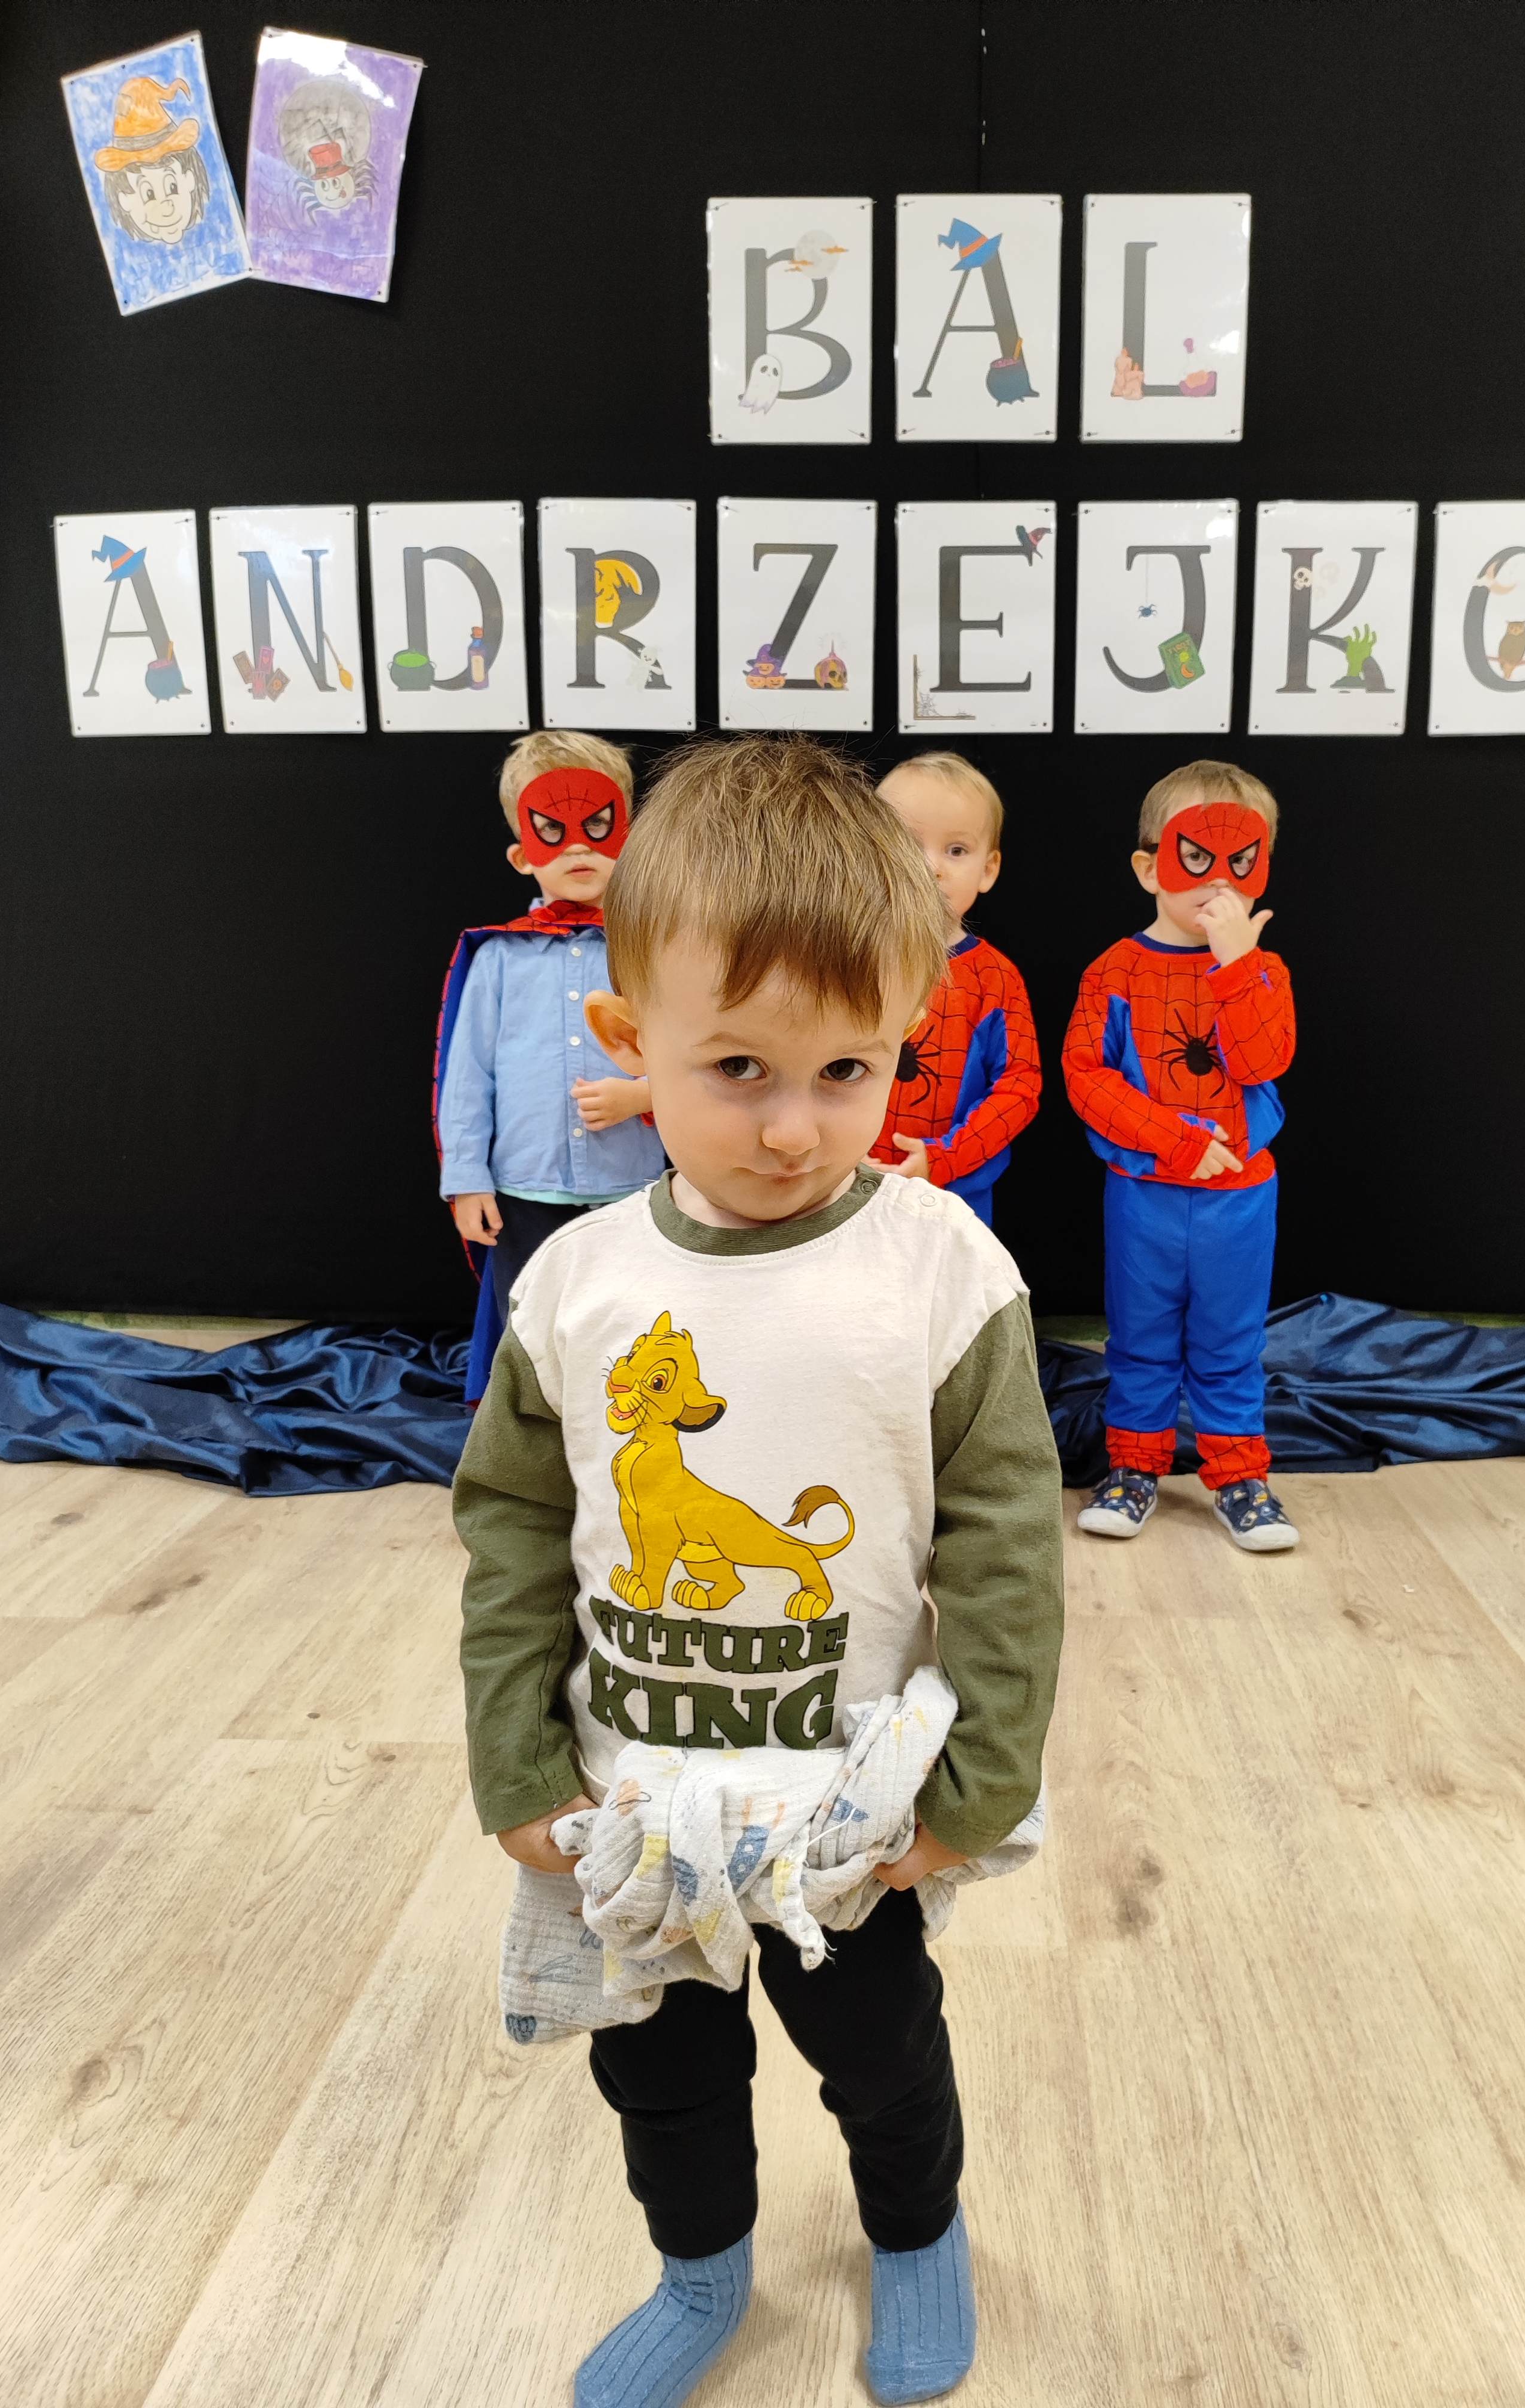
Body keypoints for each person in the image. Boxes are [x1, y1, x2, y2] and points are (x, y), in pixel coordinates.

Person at [454, 733, 1063, 2408]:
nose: (796, 1129)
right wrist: (514, 1759)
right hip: (628, 1805)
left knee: (883, 2059)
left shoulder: (945, 1272)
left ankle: (916, 2234)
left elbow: (1009, 1550)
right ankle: (700, 2269)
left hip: (847, 1815)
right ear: (627, 1040)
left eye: (847, 1070)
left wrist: (980, 1788)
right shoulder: (575, 1285)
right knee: (660, 2079)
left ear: (904, 1035)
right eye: (737, 1068)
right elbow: (507, 1530)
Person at [1062, 760, 1300, 1553]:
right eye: (1195, 858)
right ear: (1149, 867)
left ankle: (1239, 1476)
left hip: (1241, 1197)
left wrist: (1236, 966)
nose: (1217, 882)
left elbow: (1263, 1061)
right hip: (1145, 1192)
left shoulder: (1264, 973)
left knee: (1232, 1340)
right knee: (1141, 1336)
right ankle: (1134, 1468)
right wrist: (1176, 1140)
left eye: (1242, 863)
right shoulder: (1114, 972)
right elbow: (1085, 1076)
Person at [434, 730, 665, 1401]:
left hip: (631, 1184)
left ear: (630, 839)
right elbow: (468, 1076)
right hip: (524, 1190)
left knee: (631, 1324)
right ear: (521, 854)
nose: (578, 848)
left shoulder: (656, 951)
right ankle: (530, 1442)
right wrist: (467, 1179)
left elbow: (695, 1055)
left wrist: (642, 1095)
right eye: (552, 832)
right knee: (530, 1327)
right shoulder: (498, 959)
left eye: (598, 827)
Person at [867, 752, 1042, 1227]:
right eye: (909, 845)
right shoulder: (845, 959)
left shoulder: (995, 978)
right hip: (845, 1183)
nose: (933, 868)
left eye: (957, 850)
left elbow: (1019, 1087)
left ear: (989, 869)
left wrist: (945, 1157)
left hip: (957, 1194)